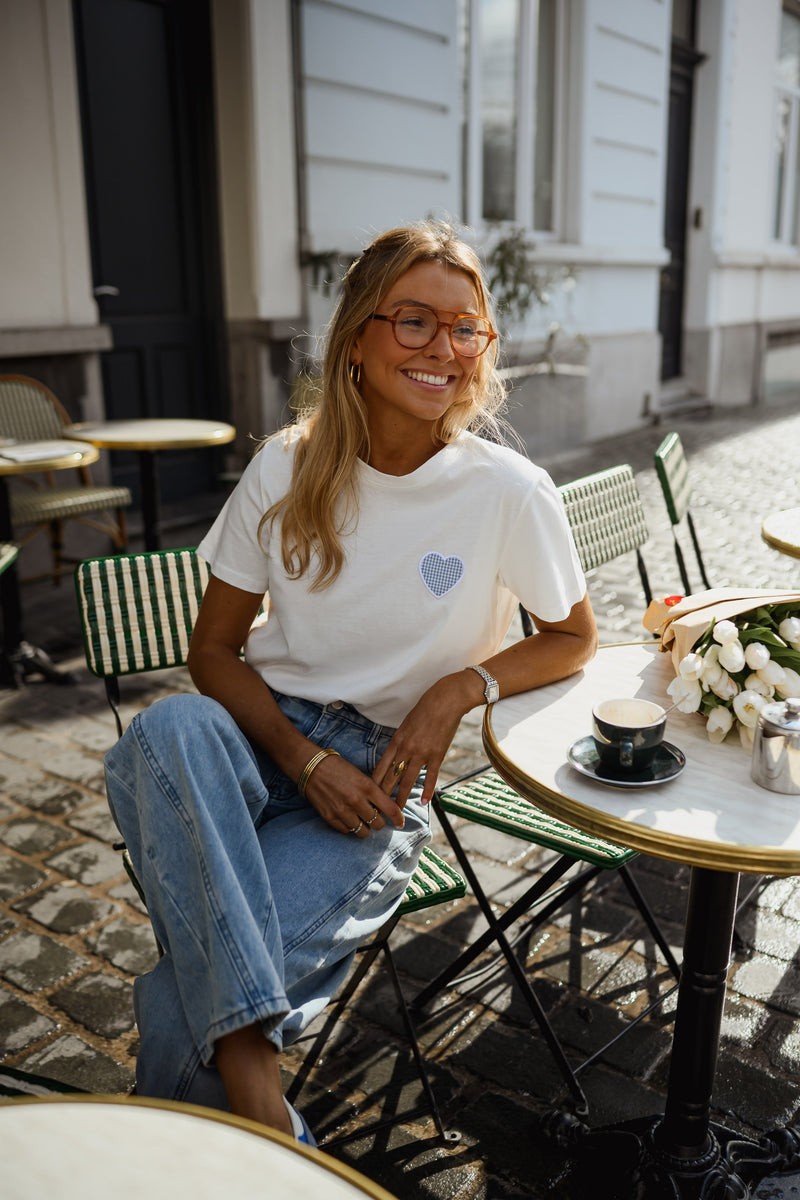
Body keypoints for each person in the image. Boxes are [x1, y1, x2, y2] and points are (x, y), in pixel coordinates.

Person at [103, 220, 597, 1146]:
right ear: (358, 338)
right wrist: (301, 756)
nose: (442, 349)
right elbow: (212, 654)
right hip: (252, 746)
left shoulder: (508, 491)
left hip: (379, 784)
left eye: (465, 328)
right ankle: (259, 1092)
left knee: (182, 1004)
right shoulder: (286, 466)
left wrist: (455, 690)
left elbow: (572, 638)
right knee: (168, 733)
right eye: (414, 321)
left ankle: (212, 1126)